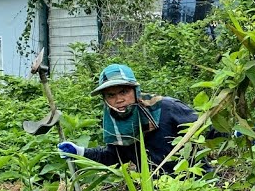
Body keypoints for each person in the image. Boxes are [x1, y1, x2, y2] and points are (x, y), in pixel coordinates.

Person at [57, 63, 208, 175]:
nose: (119, 99)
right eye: (111, 95)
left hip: (194, 180)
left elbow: (205, 128)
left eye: (123, 92)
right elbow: (114, 155)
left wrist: (230, 133)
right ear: (105, 99)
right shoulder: (116, 122)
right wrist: (79, 151)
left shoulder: (165, 108)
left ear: (136, 90)